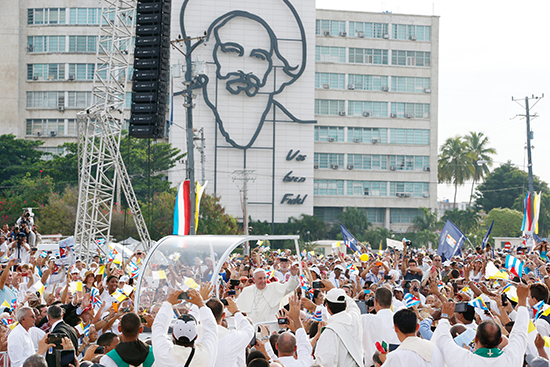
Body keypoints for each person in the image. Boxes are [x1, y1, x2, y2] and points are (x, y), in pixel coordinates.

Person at [435, 283, 530, 367]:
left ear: (476, 339)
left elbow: (443, 338)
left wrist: (445, 316)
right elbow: (520, 330)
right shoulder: (511, 359)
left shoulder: (464, 360)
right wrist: (522, 300)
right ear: (500, 340)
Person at [152, 289, 218, 367]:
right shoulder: (205, 353)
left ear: (173, 336)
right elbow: (211, 327)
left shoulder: (163, 352)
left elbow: (158, 326)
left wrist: (168, 302)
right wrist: (200, 303)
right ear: (196, 337)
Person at [314, 287, 363, 367]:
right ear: (345, 304)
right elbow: (353, 306)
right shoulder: (355, 319)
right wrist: (336, 290)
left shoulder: (329, 332)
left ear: (327, 307)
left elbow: (324, 363)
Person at [206, 296, 253, 367]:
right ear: (223, 315)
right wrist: (236, 312)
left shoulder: (195, 334)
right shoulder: (233, 337)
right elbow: (249, 330)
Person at [362, 287, 400, 366]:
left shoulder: (366, 319)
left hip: (372, 364)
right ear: (391, 302)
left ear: (375, 302)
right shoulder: (400, 320)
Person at [273, 295, 313, 367]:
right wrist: (296, 319)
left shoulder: (270, 364)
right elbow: (304, 345)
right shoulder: (305, 364)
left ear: (277, 346)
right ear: (295, 348)